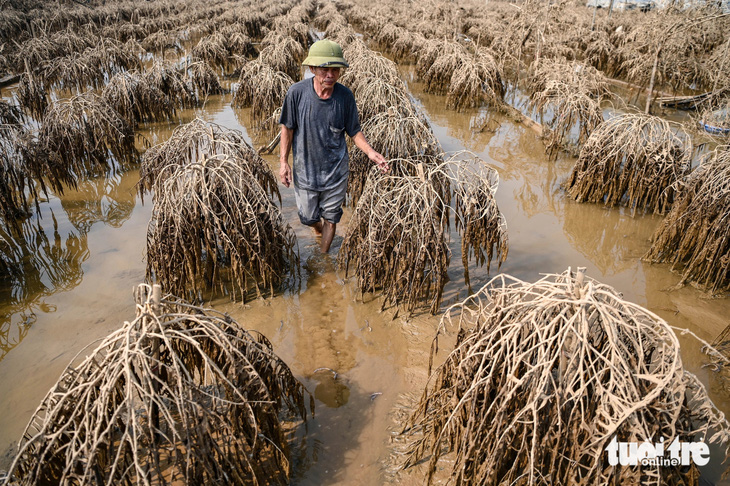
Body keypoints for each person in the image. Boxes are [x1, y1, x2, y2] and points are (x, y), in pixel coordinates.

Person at [279, 39, 389, 253]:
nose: (330, 74)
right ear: (312, 69)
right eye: (324, 69)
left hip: (336, 171)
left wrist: (371, 152)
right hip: (306, 171)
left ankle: (323, 255)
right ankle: (317, 228)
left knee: (331, 217)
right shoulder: (296, 93)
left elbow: (354, 131)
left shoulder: (345, 96)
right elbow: (287, 128)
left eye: (335, 69)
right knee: (308, 217)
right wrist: (283, 162)